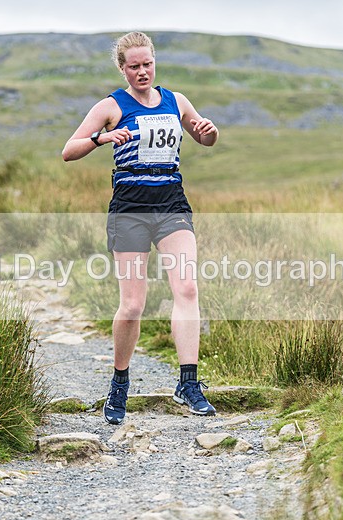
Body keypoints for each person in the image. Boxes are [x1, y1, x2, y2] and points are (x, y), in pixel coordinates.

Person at [62, 31, 219, 424]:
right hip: (130, 208)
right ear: (122, 68)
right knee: (133, 304)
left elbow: (205, 137)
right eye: (134, 66)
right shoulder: (111, 105)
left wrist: (207, 134)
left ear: (154, 62)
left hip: (171, 203)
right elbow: (69, 150)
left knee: (187, 287)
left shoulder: (176, 100)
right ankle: (119, 384)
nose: (142, 71)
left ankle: (188, 383)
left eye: (147, 64)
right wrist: (102, 137)